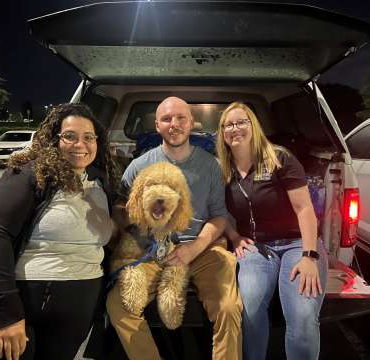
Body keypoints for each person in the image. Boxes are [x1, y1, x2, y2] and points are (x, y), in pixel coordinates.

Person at [0, 103, 119, 360]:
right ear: (53, 139)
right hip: (20, 303)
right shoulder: (30, 174)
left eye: (88, 137)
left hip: (77, 308)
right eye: (69, 136)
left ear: (98, 141)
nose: (79, 144)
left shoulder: (101, 182)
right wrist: (7, 315)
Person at [106, 96, 243, 360]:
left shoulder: (211, 165)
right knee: (117, 305)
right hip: (152, 251)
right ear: (157, 125)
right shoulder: (139, 166)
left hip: (203, 248)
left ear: (192, 123)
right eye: (167, 119)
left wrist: (194, 248)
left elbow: (218, 216)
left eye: (181, 118)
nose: (174, 124)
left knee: (228, 307)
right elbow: (121, 209)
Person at [216, 102, 328, 360]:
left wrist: (310, 256)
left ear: (253, 125)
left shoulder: (279, 158)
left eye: (241, 122)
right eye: (228, 124)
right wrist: (234, 237)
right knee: (249, 307)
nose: (235, 128)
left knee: (302, 317)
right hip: (256, 247)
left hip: (297, 243)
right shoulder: (221, 169)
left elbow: (304, 209)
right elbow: (218, 211)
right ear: (222, 133)